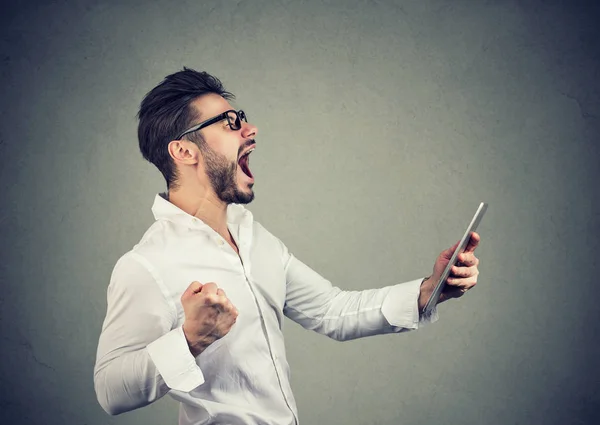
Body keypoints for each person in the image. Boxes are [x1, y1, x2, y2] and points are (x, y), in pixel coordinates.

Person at [93, 68, 481, 425]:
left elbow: (332, 311)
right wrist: (190, 340)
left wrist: (429, 291)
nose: (251, 129)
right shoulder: (146, 264)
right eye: (230, 123)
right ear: (184, 151)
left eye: (241, 117)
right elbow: (110, 391)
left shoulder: (254, 237)